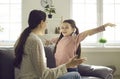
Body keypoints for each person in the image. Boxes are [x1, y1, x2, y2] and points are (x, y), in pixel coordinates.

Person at [14, 10, 87, 79]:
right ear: (42, 23)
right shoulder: (35, 41)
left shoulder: (21, 39)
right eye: (46, 22)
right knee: (76, 75)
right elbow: (44, 75)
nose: (46, 25)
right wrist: (68, 65)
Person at [45, 19, 116, 72]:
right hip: (59, 68)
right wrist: (48, 42)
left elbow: (88, 32)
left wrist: (105, 25)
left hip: (70, 69)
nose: (64, 29)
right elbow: (50, 41)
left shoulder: (75, 38)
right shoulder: (59, 39)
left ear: (73, 29)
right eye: (62, 27)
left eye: (66, 27)